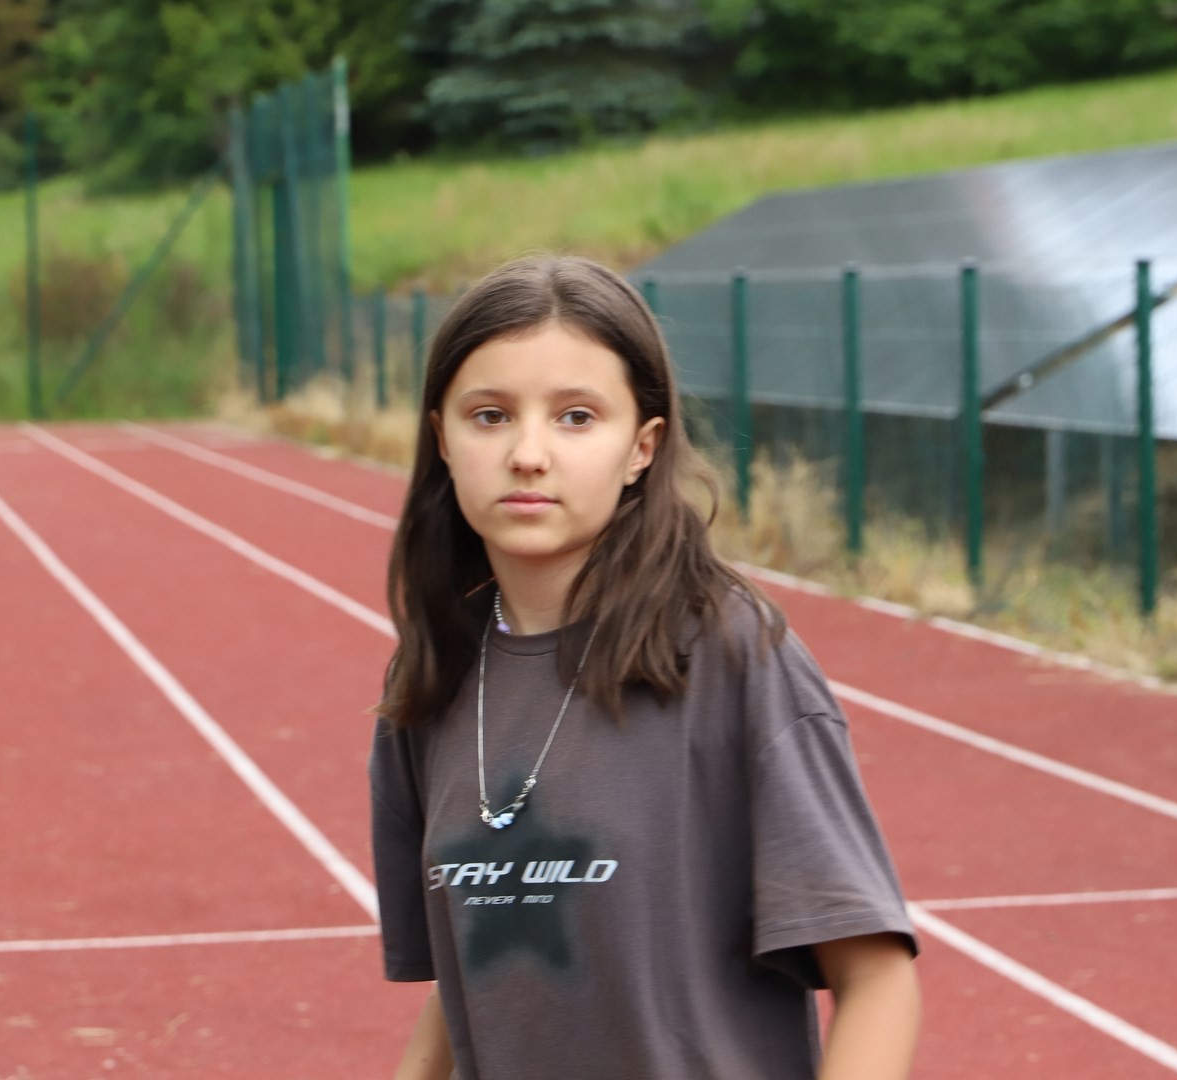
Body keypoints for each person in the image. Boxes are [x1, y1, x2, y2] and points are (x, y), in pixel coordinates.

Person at [370, 254, 920, 1080]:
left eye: (576, 417)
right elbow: (475, 973)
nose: (528, 453)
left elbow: (877, 979)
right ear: (441, 438)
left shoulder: (730, 657)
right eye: (489, 415)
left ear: (642, 447)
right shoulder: (432, 681)